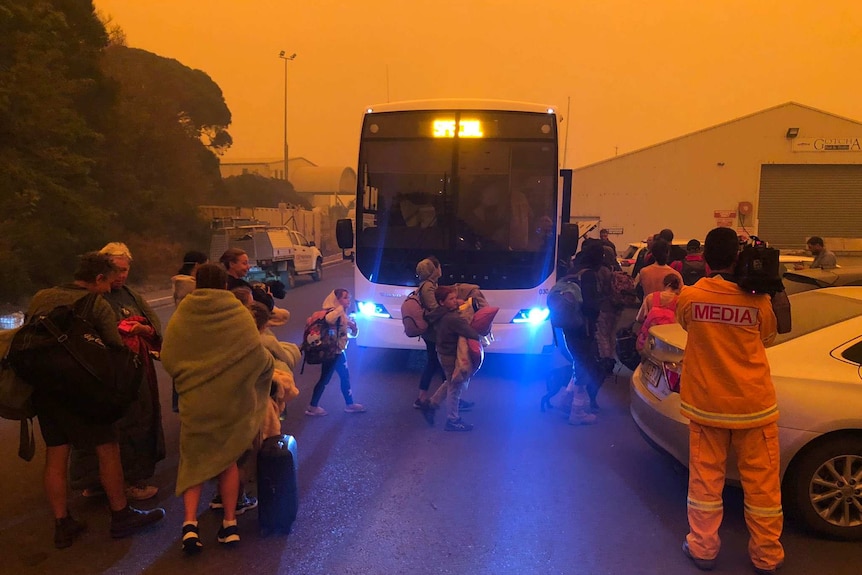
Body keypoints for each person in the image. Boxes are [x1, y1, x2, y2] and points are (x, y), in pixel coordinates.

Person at [26, 252, 165, 549]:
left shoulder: (42, 297)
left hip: (46, 390)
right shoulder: (96, 303)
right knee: (108, 449)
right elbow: (115, 348)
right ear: (98, 278)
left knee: (56, 455)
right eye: (109, 281)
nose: (111, 287)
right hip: (84, 392)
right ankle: (121, 514)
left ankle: (63, 523)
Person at [676, 226, 783, 575]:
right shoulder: (758, 299)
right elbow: (768, 335)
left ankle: (703, 548)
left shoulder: (691, 297)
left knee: (705, 484)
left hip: (707, 406)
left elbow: (688, 327)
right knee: (762, 488)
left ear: (705, 258)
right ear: (738, 258)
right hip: (754, 407)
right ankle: (767, 556)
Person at [161, 263, 274, 554]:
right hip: (230, 401)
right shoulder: (237, 314)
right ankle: (229, 525)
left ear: (197, 282)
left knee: (193, 462)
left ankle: (189, 526)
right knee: (228, 461)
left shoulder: (184, 312)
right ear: (225, 284)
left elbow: (169, 357)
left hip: (196, 401)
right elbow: (256, 356)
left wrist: (191, 377)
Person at [72, 243, 164, 502]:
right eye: (115, 269)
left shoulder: (132, 296)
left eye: (125, 269)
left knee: (137, 422)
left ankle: (132, 479)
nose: (121, 275)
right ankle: (94, 480)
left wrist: (143, 330)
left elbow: (155, 327)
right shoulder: (91, 295)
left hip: (133, 370)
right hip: (101, 371)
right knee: (101, 427)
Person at [304, 289, 365, 416]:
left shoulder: (342, 315)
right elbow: (329, 319)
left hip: (337, 351)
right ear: (336, 300)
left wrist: (353, 328)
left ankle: (349, 404)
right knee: (326, 379)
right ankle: (313, 406)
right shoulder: (334, 312)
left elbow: (349, 335)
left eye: (348, 297)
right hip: (333, 352)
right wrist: (340, 309)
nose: (348, 300)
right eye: (345, 298)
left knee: (342, 377)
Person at [429, 286, 482, 431]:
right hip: (451, 355)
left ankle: (432, 404)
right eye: (451, 299)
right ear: (442, 302)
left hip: (442, 352)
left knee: (451, 380)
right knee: (455, 387)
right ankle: (452, 420)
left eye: (454, 298)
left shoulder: (440, 313)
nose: (455, 301)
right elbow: (473, 334)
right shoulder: (452, 318)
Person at [219, 248, 290, 326]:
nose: (248, 267)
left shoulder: (221, 282)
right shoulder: (240, 285)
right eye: (244, 263)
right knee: (284, 315)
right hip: (243, 322)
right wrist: (269, 296)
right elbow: (266, 306)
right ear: (232, 264)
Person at [414, 257, 448, 409]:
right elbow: (434, 309)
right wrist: (450, 307)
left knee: (438, 364)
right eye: (438, 266)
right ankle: (422, 398)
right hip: (433, 333)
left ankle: (447, 397)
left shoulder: (430, 285)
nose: (441, 269)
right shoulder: (428, 287)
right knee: (440, 363)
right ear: (433, 270)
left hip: (433, 332)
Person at [635, 273, 681, 352]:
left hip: (649, 341)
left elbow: (639, 318)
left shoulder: (651, 297)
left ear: (664, 284)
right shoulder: (680, 301)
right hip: (669, 344)